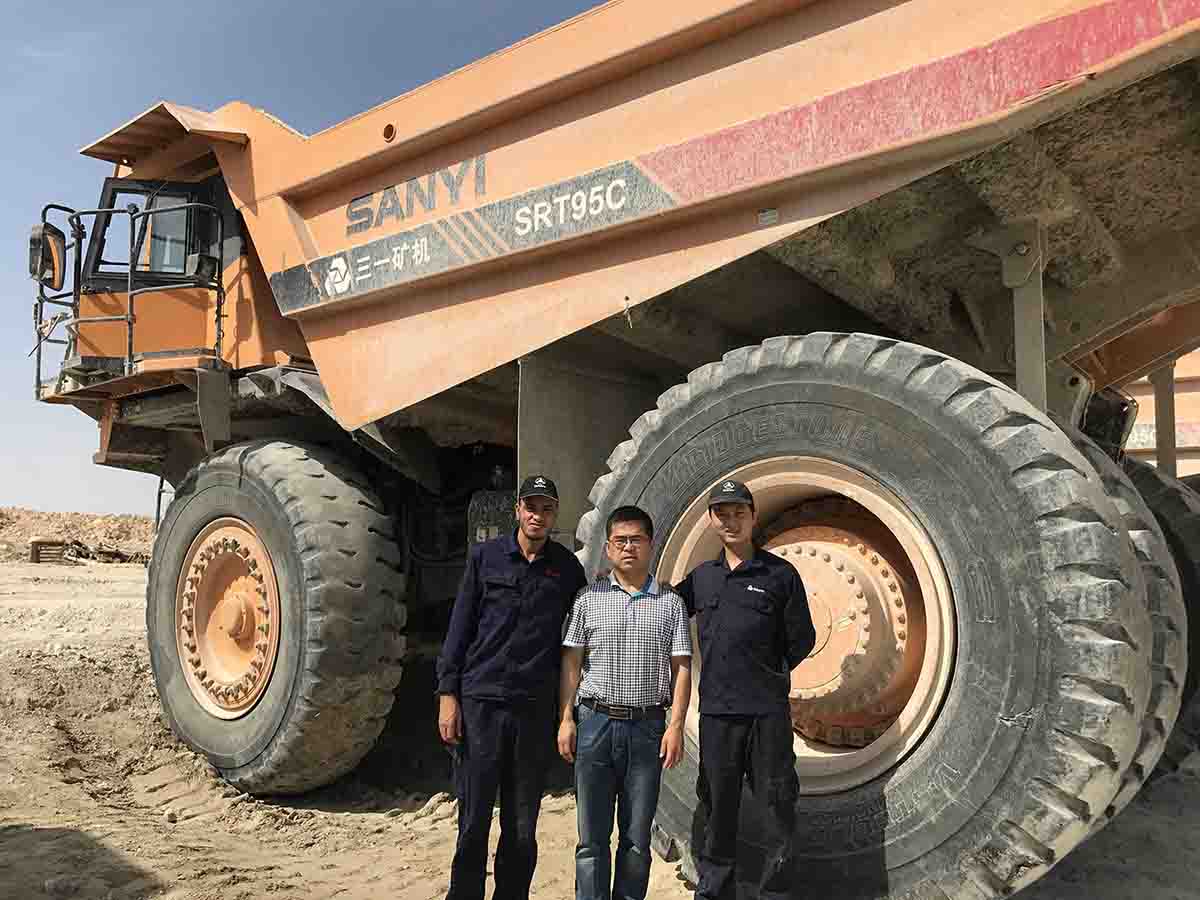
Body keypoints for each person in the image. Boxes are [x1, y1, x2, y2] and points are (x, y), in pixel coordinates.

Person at [436, 474, 588, 900]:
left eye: (546, 508)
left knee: (522, 827)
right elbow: (459, 628)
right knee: (473, 821)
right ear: (518, 510)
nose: (538, 515)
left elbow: (582, 633)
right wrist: (448, 695)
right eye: (531, 507)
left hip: (533, 710)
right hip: (481, 704)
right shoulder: (485, 558)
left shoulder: (566, 569)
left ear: (555, 515)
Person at [674, 480, 816, 900]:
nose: (731, 521)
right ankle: (716, 892)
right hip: (718, 715)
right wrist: (626, 586)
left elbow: (802, 639)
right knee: (718, 806)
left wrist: (770, 673)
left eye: (739, 513)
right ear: (711, 520)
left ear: (753, 517)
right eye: (722, 514)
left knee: (777, 805)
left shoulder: (780, 575)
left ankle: (775, 893)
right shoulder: (702, 578)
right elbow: (665, 610)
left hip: (766, 714)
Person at [558, 505, 692, 900]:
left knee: (636, 840)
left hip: (646, 729)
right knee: (591, 839)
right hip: (594, 725)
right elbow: (571, 663)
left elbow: (682, 667)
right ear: (608, 548)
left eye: (636, 540)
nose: (628, 547)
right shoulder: (588, 600)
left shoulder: (670, 604)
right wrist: (566, 718)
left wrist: (675, 726)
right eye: (620, 541)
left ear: (650, 545)